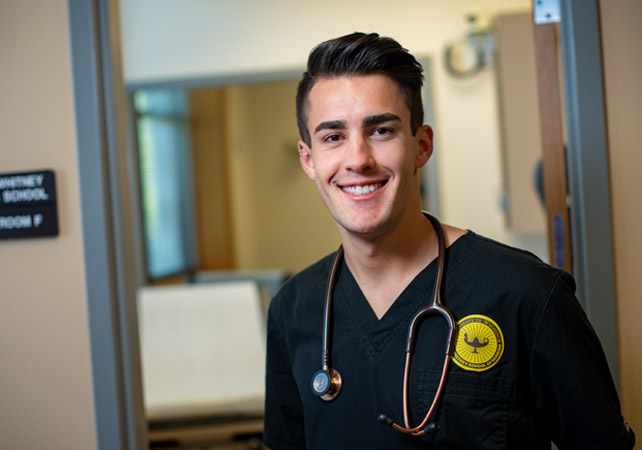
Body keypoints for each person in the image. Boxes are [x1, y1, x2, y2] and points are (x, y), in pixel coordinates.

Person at [263, 32, 635, 450]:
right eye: (333, 136)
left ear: (421, 146)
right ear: (309, 159)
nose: (358, 159)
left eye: (381, 130)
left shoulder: (526, 295)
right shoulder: (293, 310)